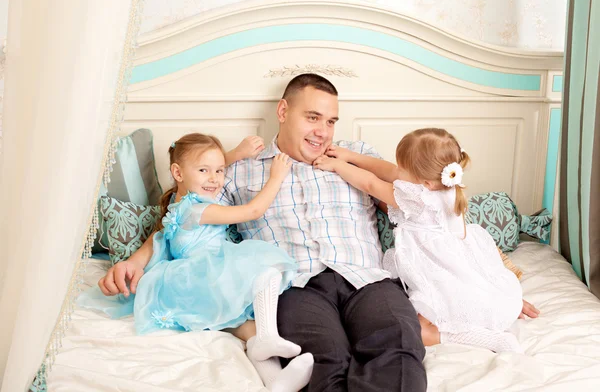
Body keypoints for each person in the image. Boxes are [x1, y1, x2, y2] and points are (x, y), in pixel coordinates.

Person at [99, 74, 538, 391]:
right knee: (321, 360)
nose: (323, 131)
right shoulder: (237, 170)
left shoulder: (356, 156)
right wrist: (137, 259)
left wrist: (486, 282)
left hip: (367, 279)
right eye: (313, 117)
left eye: (330, 121)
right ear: (283, 111)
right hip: (295, 284)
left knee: (399, 344)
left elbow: (438, 212)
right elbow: (183, 214)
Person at [82, 133, 314, 392]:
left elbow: (157, 238)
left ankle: (275, 381)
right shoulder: (198, 209)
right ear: (178, 173)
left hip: (192, 288)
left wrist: (235, 153)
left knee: (249, 329)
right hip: (205, 276)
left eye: (219, 171)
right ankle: (270, 336)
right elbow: (252, 212)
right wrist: (276, 177)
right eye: (205, 170)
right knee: (268, 267)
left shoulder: (176, 204)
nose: (214, 178)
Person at [314, 127, 533, 353]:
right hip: (459, 266)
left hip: (438, 269)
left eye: (403, 168)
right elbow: (389, 170)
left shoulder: (417, 198)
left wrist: (339, 166)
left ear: (424, 181)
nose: (397, 170)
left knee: (419, 327)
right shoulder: (445, 186)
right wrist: (351, 156)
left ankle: (487, 339)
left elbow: (371, 184)